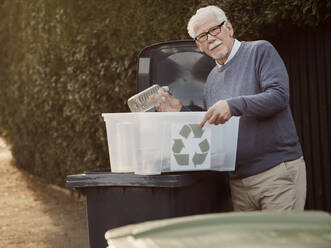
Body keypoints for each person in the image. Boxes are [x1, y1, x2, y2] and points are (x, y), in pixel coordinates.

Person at [155, 5, 307, 211]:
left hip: (276, 173)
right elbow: (212, 128)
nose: (210, 38)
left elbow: (279, 96)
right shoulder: (211, 81)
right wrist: (179, 111)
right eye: (202, 36)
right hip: (239, 184)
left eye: (214, 30)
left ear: (229, 27)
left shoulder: (260, 51)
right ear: (199, 46)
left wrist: (232, 105)